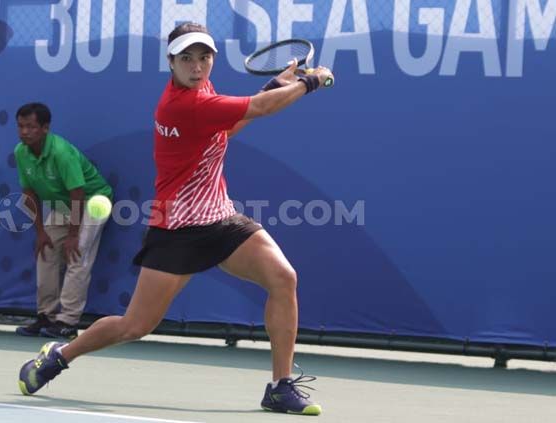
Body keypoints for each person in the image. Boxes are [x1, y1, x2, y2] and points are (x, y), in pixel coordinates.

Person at [17, 23, 333, 416]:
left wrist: (275, 85)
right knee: (135, 326)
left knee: (284, 278)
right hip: (177, 230)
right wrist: (310, 83)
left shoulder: (202, 93)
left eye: (204, 57)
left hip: (220, 218)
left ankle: (280, 386)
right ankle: (60, 355)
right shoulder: (182, 105)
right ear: (171, 62)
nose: (197, 66)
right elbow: (261, 110)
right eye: (187, 58)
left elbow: (229, 127)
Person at [13, 102, 113, 339]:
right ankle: (45, 315)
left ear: (45, 128)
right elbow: (29, 194)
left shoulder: (61, 152)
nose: (24, 132)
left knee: (77, 255)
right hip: (62, 205)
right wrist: (40, 232)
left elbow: (78, 193)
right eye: (20, 126)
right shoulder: (20, 152)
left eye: (31, 127)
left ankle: (67, 321)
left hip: (92, 201)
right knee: (45, 252)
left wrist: (72, 235)